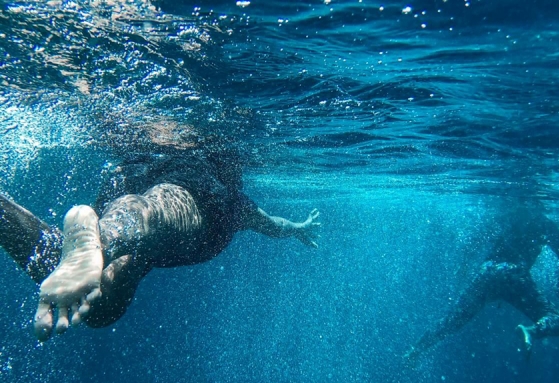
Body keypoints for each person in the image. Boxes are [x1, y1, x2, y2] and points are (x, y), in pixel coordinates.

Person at [0, 120, 321, 342]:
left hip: (128, 181)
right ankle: (102, 240)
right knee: (151, 219)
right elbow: (273, 225)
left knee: (97, 303)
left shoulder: (146, 165)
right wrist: (298, 229)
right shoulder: (235, 204)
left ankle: (96, 238)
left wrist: (296, 228)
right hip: (194, 206)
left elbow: (274, 225)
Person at [404, 201, 559, 364]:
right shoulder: (545, 224)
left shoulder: (505, 215)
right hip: (515, 275)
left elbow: (472, 243)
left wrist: (462, 272)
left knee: (452, 322)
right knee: (558, 320)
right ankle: (532, 330)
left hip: (487, 273)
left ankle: (416, 350)